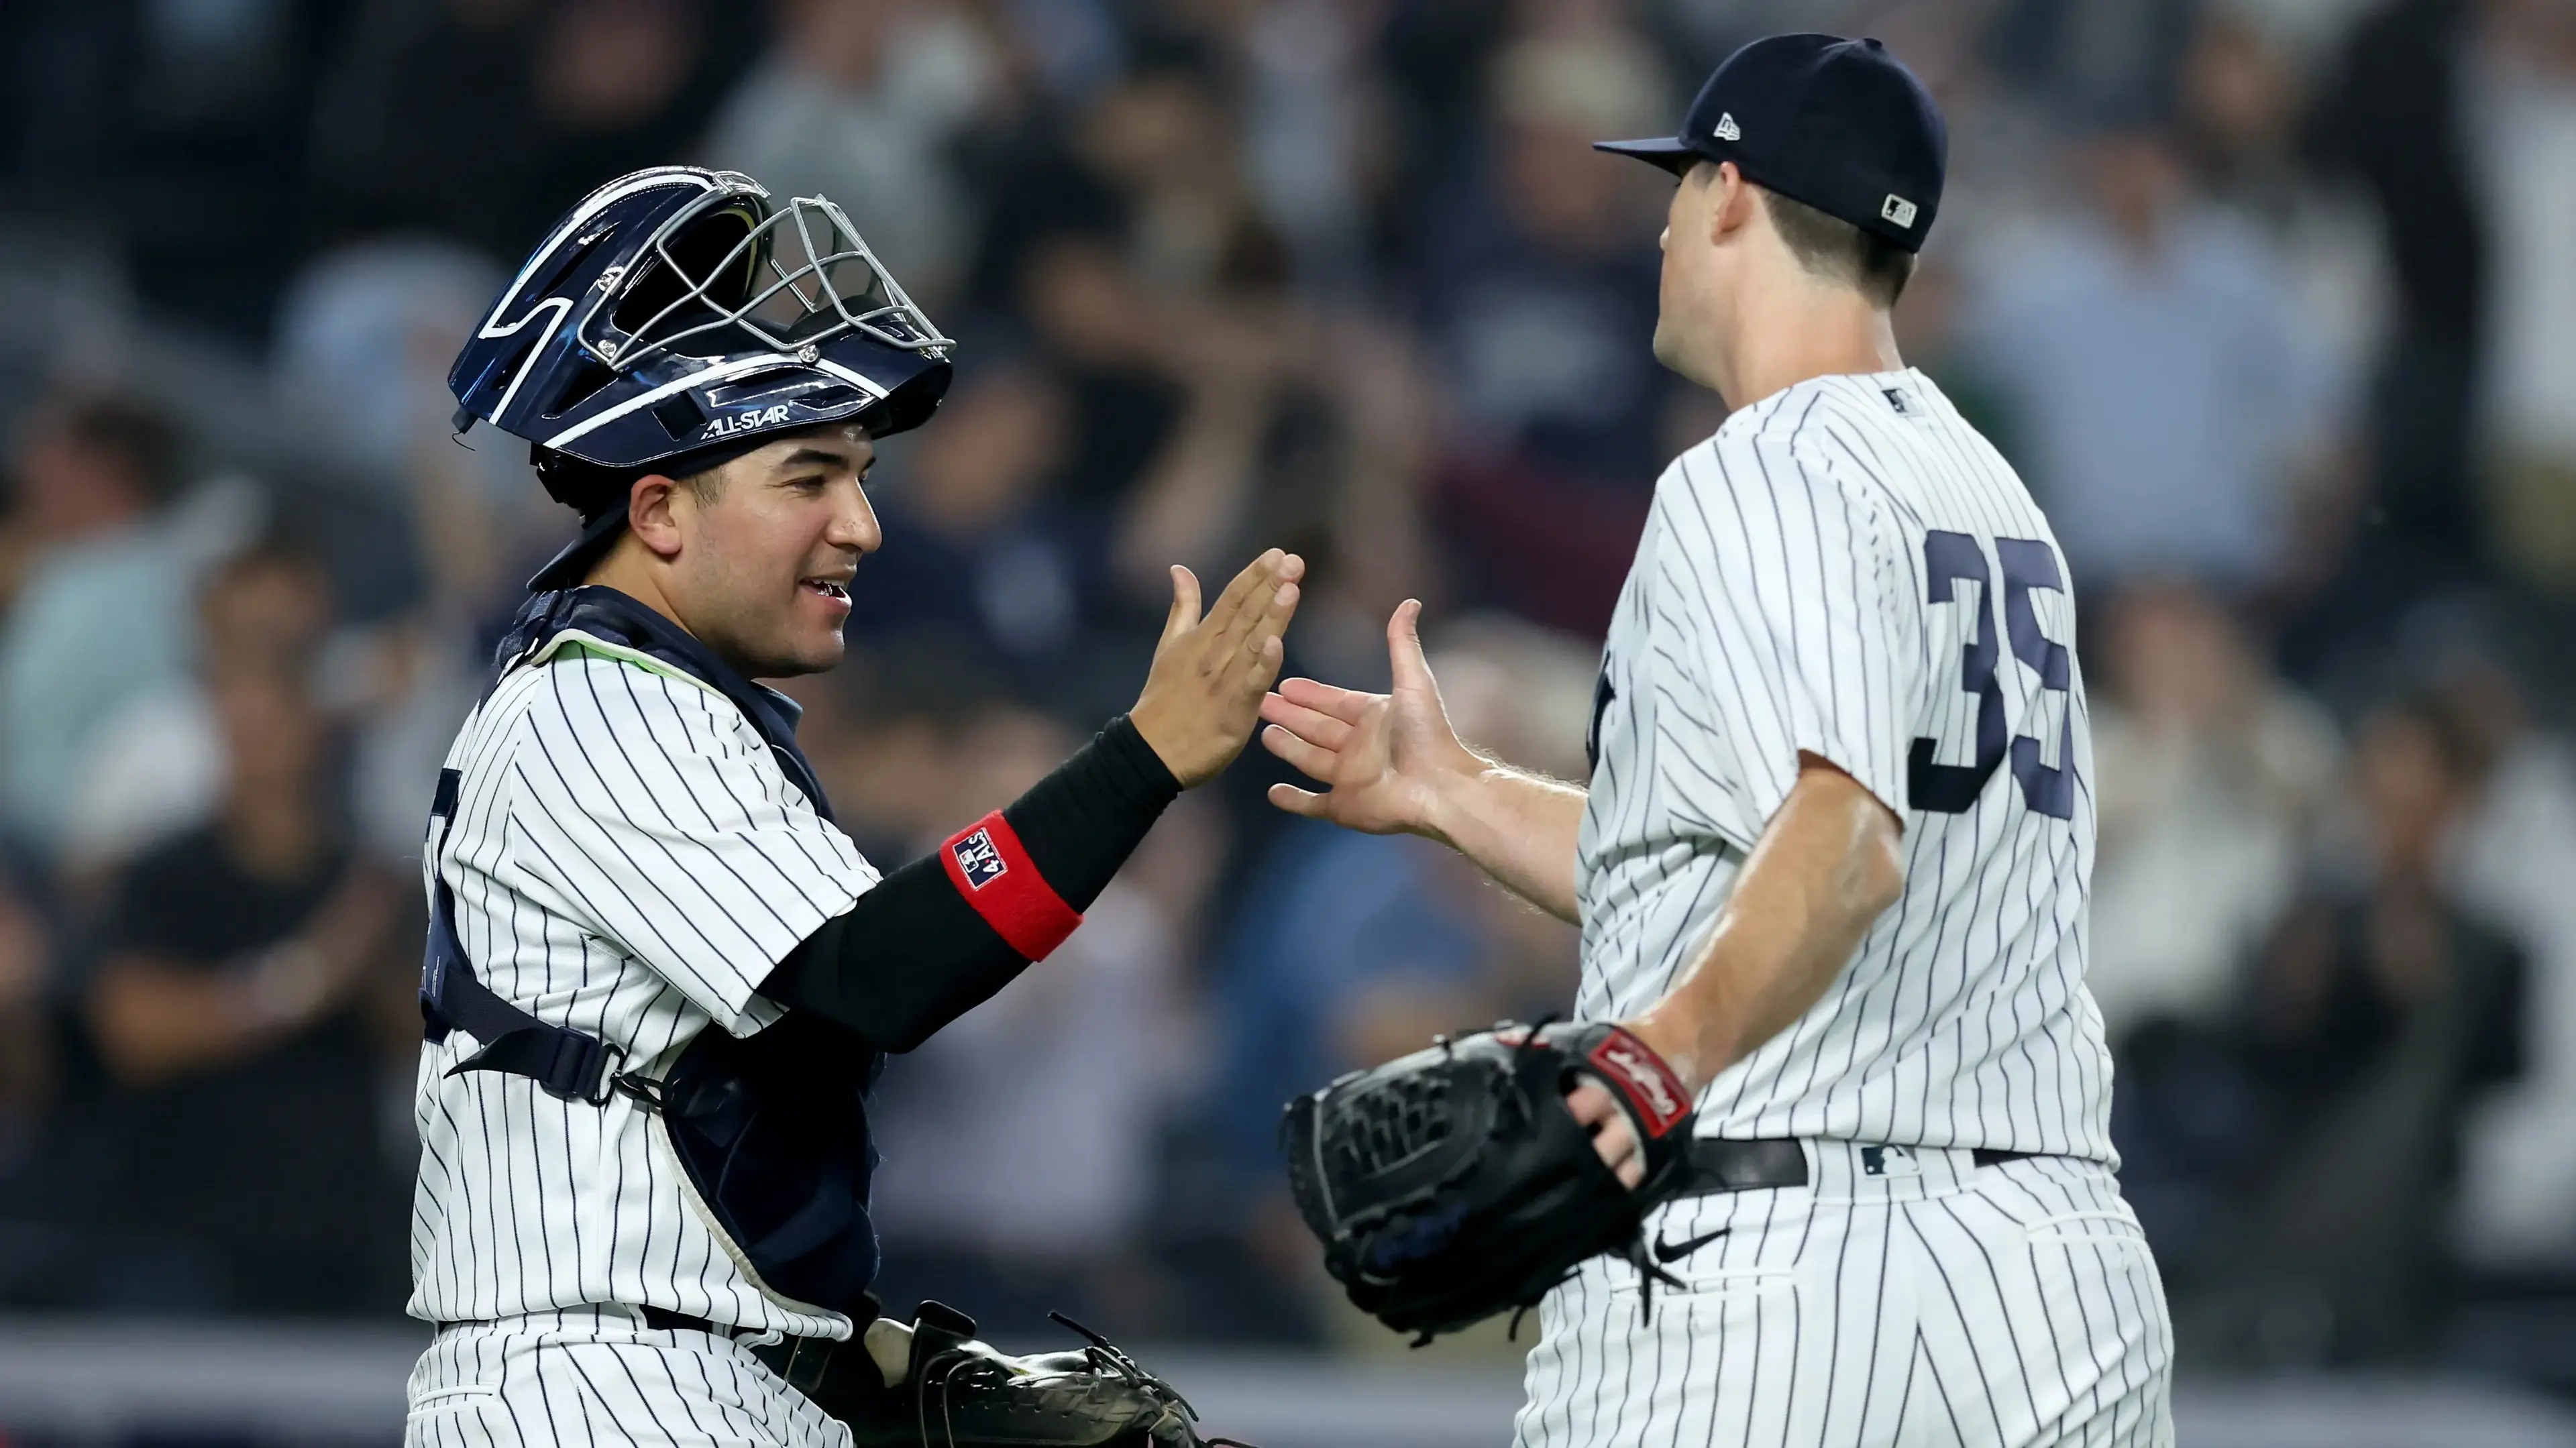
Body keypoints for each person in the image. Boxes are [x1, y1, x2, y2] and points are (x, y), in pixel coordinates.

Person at [1259, 35, 2172, 1445]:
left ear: (1734, 194)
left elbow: (1848, 841)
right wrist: (1457, 792)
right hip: (2055, 1277)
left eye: (1678, 191)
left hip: (1789, 1282)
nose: (1667, 227)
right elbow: (1767, 865)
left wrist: (1655, 1053)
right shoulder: (1989, 495)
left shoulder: (1759, 468)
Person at [404, 167, 1296, 1447]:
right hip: (601, 1391)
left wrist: (870, 1358)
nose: (863, 525)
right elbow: (880, 973)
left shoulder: (671, 709)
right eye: (809, 477)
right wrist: (1142, 757)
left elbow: (729, 1125)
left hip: (682, 1375)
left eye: (860, 476)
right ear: (656, 509)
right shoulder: (601, 709)